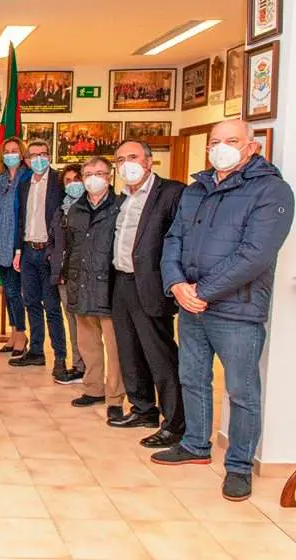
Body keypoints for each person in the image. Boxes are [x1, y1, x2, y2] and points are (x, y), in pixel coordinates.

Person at [153, 119, 294, 502]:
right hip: (191, 304)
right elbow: (173, 239)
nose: (221, 147)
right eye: (215, 141)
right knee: (193, 378)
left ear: (252, 146)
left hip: (237, 309)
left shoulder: (271, 190)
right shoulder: (197, 189)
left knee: (241, 390)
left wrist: (204, 291)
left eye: (231, 140)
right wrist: (177, 285)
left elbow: (255, 254)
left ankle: (239, 466)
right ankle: (196, 443)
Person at [107, 140, 186, 448]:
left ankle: (175, 423)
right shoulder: (122, 199)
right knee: (129, 349)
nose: (127, 164)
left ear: (149, 161)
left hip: (151, 283)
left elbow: (180, 240)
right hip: (122, 281)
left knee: (159, 354)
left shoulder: (171, 193)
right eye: (121, 159)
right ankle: (143, 409)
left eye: (133, 157)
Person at [61, 157, 126, 422]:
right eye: (88, 174)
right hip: (80, 282)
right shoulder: (75, 209)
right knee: (87, 343)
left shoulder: (120, 206)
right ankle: (93, 388)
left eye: (99, 173)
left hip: (109, 284)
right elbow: (71, 246)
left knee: (115, 347)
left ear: (109, 177)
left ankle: (114, 397)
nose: (93, 178)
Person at [10, 140, 67, 375]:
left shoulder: (59, 182)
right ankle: (36, 351)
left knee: (52, 306)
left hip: (49, 252)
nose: (38, 159)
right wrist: (18, 251)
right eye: (33, 156)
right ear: (26, 160)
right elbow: (21, 219)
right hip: (28, 251)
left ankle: (60, 357)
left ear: (49, 156)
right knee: (31, 302)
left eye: (42, 154)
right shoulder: (24, 186)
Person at [0, 137, 28, 356]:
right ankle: (13, 333)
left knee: (14, 291)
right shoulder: (0, 179)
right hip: (0, 242)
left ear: (22, 154)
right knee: (8, 292)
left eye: (15, 151)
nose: (11, 154)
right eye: (7, 151)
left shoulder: (26, 178)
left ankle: (21, 334)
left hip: (17, 244)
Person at [48, 164, 87, 383]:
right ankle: (78, 365)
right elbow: (53, 239)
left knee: (86, 324)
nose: (73, 184)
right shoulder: (61, 209)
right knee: (72, 320)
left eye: (77, 179)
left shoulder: (90, 208)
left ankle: (90, 369)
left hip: (84, 275)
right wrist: (51, 257)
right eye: (68, 181)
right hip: (63, 273)